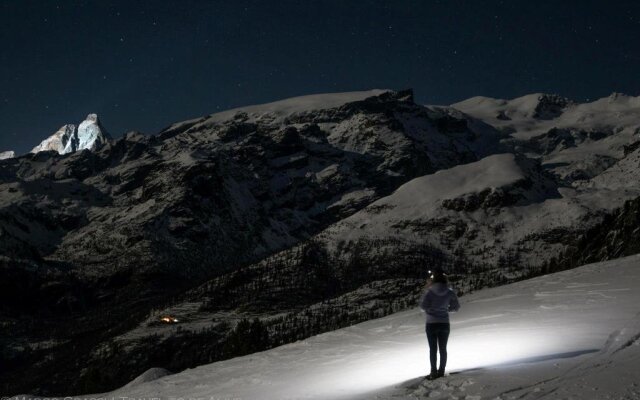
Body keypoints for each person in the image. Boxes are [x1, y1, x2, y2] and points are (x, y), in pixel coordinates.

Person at [419, 267, 460, 380]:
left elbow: (423, 306)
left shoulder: (430, 292)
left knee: (433, 349)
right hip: (444, 323)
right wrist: (446, 310)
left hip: (431, 324)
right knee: (443, 348)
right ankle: (441, 371)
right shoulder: (450, 292)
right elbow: (456, 307)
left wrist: (430, 311)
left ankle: (433, 372)